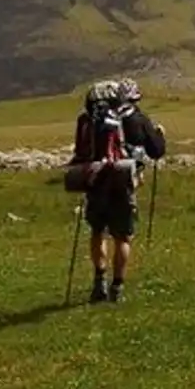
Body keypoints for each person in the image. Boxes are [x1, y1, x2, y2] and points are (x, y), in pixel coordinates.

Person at [68, 78, 167, 303]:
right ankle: (117, 287)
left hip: (95, 180)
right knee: (123, 236)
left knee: (98, 231)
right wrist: (160, 134)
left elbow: (80, 149)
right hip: (124, 182)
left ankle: (99, 281)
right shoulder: (136, 118)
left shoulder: (87, 120)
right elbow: (157, 151)